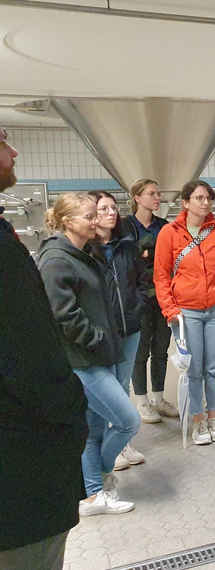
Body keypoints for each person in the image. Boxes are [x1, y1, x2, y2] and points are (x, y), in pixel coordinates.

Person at [0, 130, 89, 570]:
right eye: (2, 141)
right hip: (19, 473)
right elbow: (28, 353)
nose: (13, 152)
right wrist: (70, 414)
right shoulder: (46, 257)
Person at [38, 193, 139, 514]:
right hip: (83, 360)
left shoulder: (81, 252)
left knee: (94, 429)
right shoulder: (56, 260)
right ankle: (101, 477)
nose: (97, 220)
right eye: (90, 216)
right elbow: (64, 315)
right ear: (68, 222)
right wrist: (96, 340)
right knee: (128, 421)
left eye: (98, 214)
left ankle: (92, 495)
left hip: (99, 354)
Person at [154, 180, 215, 446]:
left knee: (214, 367)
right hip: (186, 312)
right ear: (185, 202)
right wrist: (170, 308)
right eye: (199, 198)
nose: (205, 203)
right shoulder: (169, 233)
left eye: (208, 199)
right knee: (193, 369)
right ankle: (197, 420)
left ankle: (213, 417)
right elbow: (161, 275)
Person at [88, 190, 147, 471]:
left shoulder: (126, 245)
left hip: (130, 327)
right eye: (103, 209)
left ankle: (123, 443)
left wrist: (139, 305)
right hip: (102, 333)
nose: (111, 213)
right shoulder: (85, 250)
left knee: (123, 385)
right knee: (106, 391)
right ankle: (103, 448)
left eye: (113, 208)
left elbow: (141, 280)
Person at [124, 179, 179, 426]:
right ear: (137, 197)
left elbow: (170, 258)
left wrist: (147, 254)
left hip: (163, 295)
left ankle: (159, 399)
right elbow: (127, 259)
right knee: (140, 350)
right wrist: (146, 255)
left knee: (161, 349)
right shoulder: (125, 226)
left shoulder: (164, 226)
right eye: (151, 194)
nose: (157, 198)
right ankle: (142, 401)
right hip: (138, 297)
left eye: (158, 194)